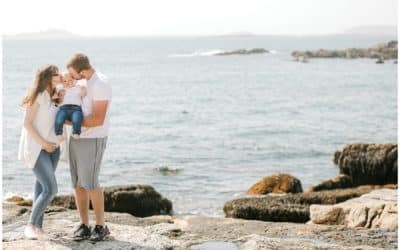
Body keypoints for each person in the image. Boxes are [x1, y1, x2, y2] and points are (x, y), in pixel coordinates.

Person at [66, 53, 112, 242]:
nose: (72, 78)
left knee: (91, 182)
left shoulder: (100, 84)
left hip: (93, 138)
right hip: (76, 138)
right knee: (77, 184)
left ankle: (101, 226)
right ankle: (84, 225)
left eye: (73, 74)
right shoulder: (83, 80)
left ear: (82, 71)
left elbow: (98, 119)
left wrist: (68, 122)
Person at [18, 64, 67, 240]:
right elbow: (27, 123)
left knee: (41, 186)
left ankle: (38, 227)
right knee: (51, 189)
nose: (60, 75)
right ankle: (30, 225)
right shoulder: (38, 95)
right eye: (56, 73)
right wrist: (44, 143)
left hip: (53, 149)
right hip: (38, 148)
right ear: (47, 77)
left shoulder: (53, 95)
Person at [54, 72, 86, 141]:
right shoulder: (61, 89)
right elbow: (56, 99)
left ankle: (76, 132)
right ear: (61, 82)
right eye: (64, 81)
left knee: (77, 119)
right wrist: (58, 95)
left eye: (70, 80)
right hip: (63, 109)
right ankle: (58, 133)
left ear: (75, 81)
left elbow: (83, 94)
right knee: (59, 119)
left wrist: (83, 90)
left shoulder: (78, 88)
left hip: (76, 109)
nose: (67, 83)